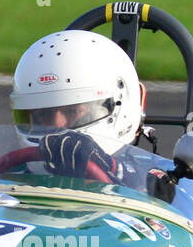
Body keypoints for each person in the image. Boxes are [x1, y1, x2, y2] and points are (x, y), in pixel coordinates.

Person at [9, 30, 153, 186]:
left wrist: (111, 168)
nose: (57, 125)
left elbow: (164, 194)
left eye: (73, 111)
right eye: (43, 114)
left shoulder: (155, 179)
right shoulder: (8, 175)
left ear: (119, 104)